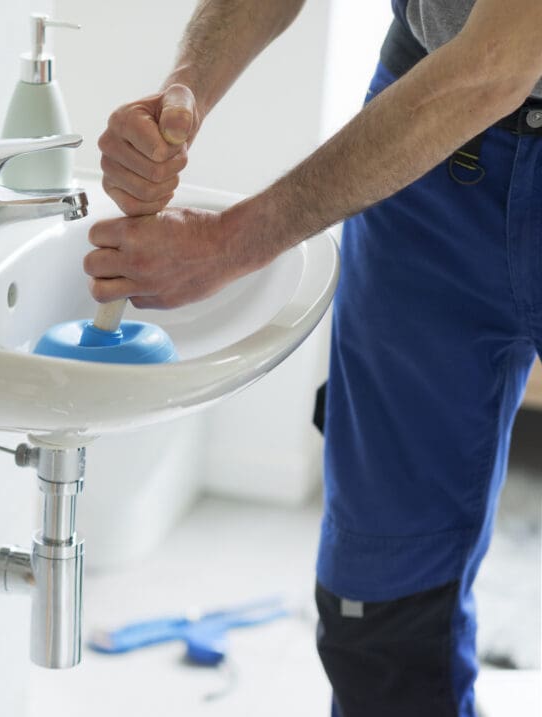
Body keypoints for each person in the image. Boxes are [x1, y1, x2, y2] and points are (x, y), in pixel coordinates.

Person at [86, 1, 542, 715]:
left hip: (476, 80)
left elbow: (498, 61)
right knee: (378, 608)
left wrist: (229, 244)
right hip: (430, 155)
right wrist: (185, 93)